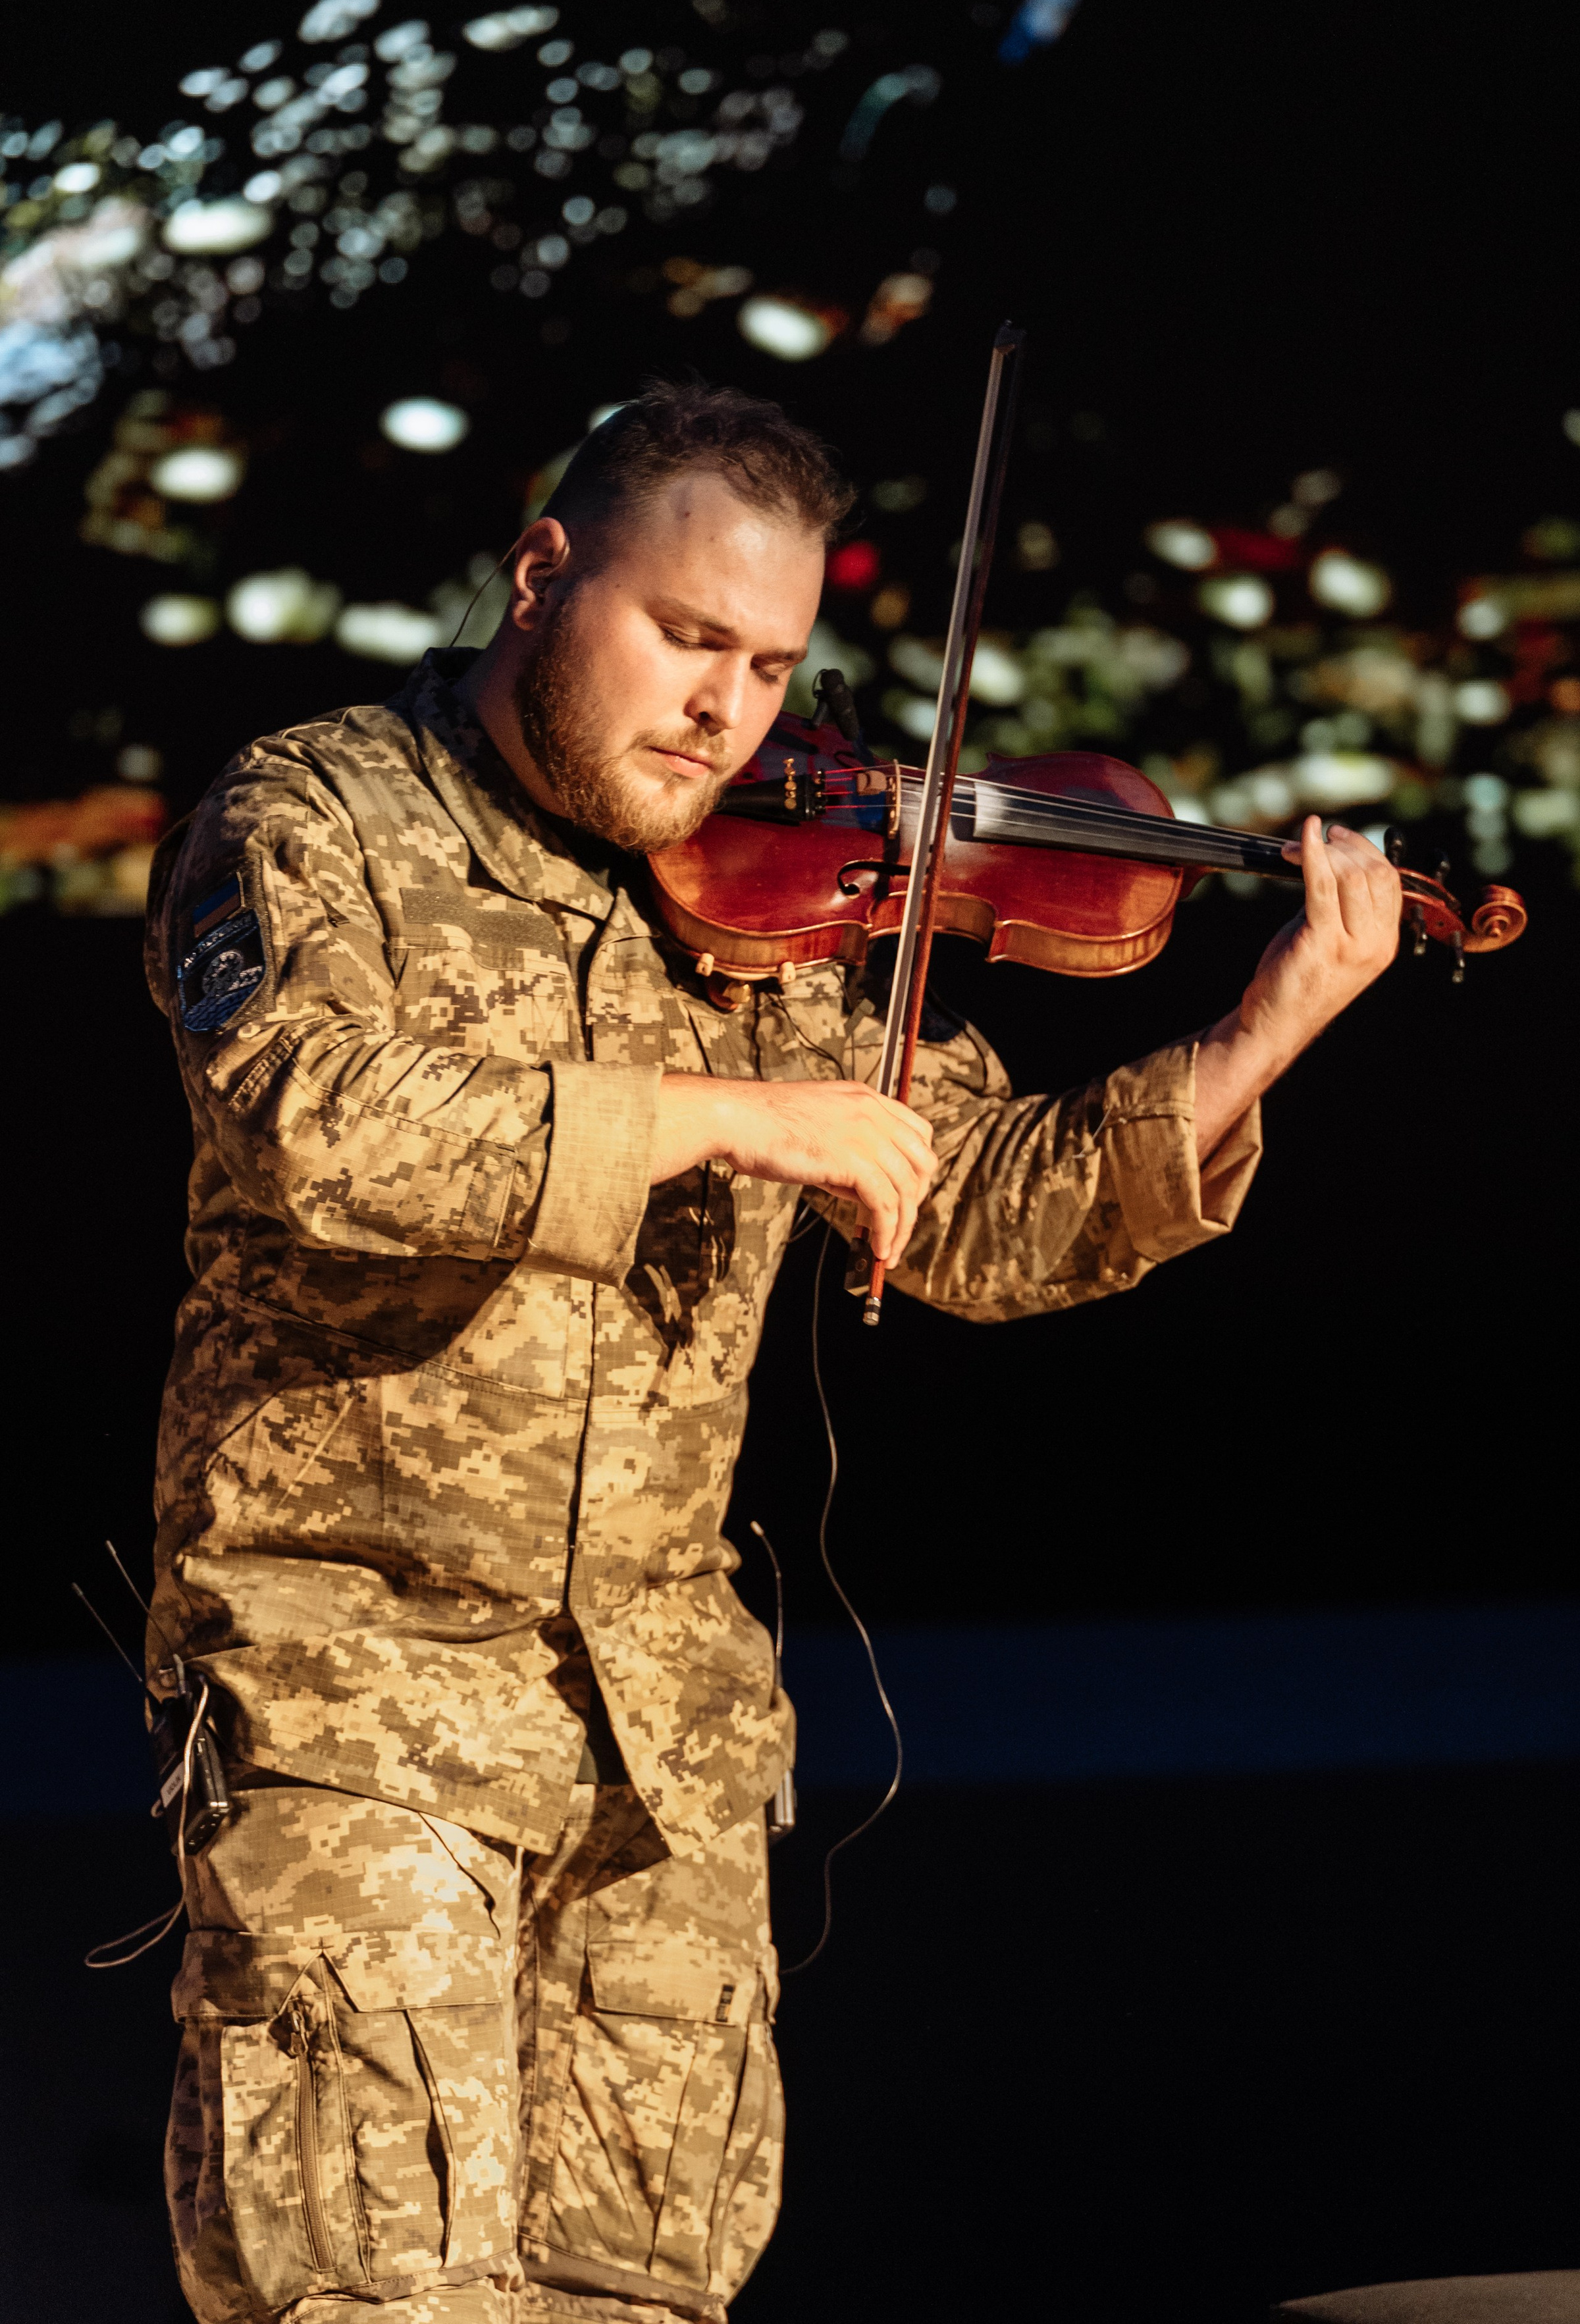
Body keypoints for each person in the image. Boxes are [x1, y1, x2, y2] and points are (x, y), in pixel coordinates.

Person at [143, 380, 1401, 2324]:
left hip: (666, 1743)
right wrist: (718, 1113)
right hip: (356, 1707)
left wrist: (1267, 1032)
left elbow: (975, 1211)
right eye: (686, 638)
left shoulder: (788, 897)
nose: (730, 713)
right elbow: (315, 1122)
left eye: (772, 663)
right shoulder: (318, 813)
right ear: (544, 576)